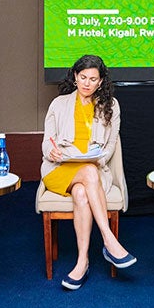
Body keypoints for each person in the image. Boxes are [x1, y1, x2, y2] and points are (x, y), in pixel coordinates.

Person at [41, 54, 136, 290]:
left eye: (93, 79)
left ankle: (81, 262)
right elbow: (47, 141)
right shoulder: (59, 104)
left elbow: (111, 145)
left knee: (83, 190)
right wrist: (52, 152)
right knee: (88, 174)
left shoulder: (111, 106)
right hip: (60, 169)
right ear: (75, 76)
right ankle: (109, 240)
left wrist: (97, 157)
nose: (86, 83)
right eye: (82, 77)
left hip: (94, 170)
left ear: (101, 82)